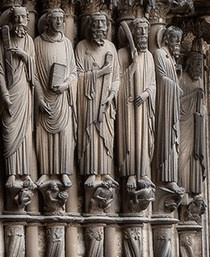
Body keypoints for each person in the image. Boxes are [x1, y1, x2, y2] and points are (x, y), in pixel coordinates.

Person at [75, 12, 120, 186]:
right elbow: (77, 76)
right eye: (96, 24)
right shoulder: (81, 47)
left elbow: (116, 77)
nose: (100, 27)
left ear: (108, 27)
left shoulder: (111, 47)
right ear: (90, 27)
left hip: (106, 101)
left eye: (103, 24)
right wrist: (99, 73)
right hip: (89, 99)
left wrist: (111, 95)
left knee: (106, 135)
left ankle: (105, 171)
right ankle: (91, 171)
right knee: (91, 135)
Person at [34, 8, 77, 187]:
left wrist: (66, 85)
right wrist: (40, 98)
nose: (59, 22)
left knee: (64, 135)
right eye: (55, 19)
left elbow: (74, 72)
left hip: (62, 99)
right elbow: (33, 74)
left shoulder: (67, 43)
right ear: (47, 21)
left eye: (61, 19)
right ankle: (45, 171)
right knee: (44, 136)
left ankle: (63, 171)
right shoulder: (37, 42)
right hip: (45, 98)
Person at [0, 6, 36, 188]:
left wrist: (24, 55)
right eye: (16, 19)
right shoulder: (3, 41)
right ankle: (11, 173)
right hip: (10, 93)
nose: (20, 22)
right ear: (11, 21)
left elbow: (33, 69)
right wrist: (4, 95)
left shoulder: (29, 42)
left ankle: (25, 173)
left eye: (23, 18)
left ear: (27, 20)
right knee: (10, 132)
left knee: (25, 134)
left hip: (24, 91)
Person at [116, 17, 155, 190]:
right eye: (139, 31)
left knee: (145, 139)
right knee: (130, 137)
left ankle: (143, 172)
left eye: (145, 31)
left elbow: (153, 83)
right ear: (132, 33)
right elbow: (118, 80)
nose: (143, 35)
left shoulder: (150, 57)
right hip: (129, 104)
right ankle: (131, 172)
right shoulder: (123, 54)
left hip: (144, 105)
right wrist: (132, 64)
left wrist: (146, 93)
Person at [153, 25, 184, 194]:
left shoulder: (171, 58)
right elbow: (160, 78)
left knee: (174, 142)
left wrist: (177, 78)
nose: (177, 42)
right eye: (175, 38)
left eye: (179, 39)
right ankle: (164, 179)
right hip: (164, 105)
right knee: (166, 139)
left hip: (172, 104)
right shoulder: (159, 54)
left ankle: (171, 178)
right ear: (166, 38)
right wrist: (174, 86)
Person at [179, 50, 206, 197]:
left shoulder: (200, 81)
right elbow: (176, 102)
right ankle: (179, 187)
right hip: (183, 122)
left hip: (196, 125)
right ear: (189, 63)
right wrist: (193, 96)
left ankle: (192, 190)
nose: (198, 67)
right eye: (196, 63)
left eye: (200, 65)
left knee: (193, 158)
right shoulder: (181, 79)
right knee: (182, 155)